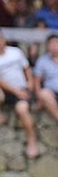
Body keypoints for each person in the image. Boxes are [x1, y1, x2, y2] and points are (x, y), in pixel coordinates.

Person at [0, 27, 39, 157]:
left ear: (4, 39)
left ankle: (32, 140)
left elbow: (27, 69)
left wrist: (30, 85)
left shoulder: (15, 52)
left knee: (22, 109)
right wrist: (15, 91)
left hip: (22, 89)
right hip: (7, 91)